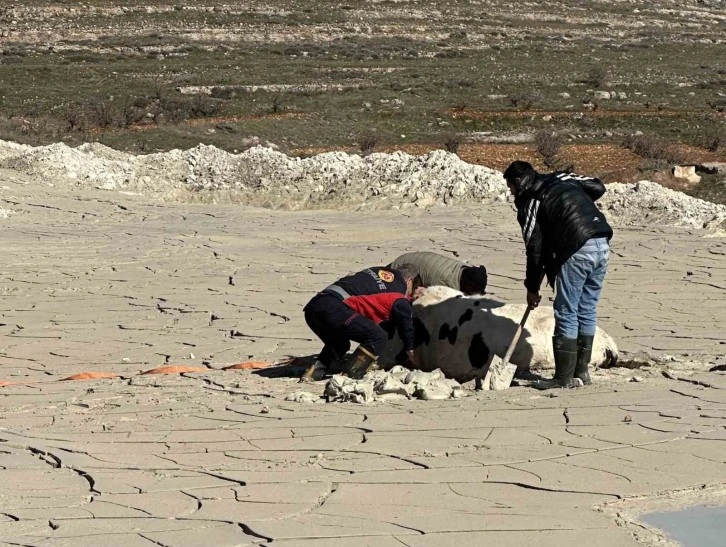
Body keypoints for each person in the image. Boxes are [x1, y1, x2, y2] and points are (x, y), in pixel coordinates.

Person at [502, 161, 613, 389]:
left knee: (566, 311)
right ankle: (582, 371)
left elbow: (535, 249)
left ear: (519, 182)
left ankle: (563, 378)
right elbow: (597, 187)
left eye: (510, 187)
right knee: (587, 308)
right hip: (601, 242)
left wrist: (532, 288)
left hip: (577, 249)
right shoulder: (562, 178)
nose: (511, 192)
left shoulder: (532, 200)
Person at [301, 264, 420, 382]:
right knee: (378, 336)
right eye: (413, 289)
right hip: (335, 308)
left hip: (314, 307)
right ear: (409, 280)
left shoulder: (377, 271)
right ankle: (350, 377)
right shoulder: (399, 292)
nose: (410, 294)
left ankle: (313, 373)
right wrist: (411, 351)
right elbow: (405, 325)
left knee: (339, 344)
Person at [388, 251, 487, 295]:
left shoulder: (464, 270)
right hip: (403, 267)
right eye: (474, 290)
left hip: (412, 261)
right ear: (466, 283)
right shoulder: (447, 283)